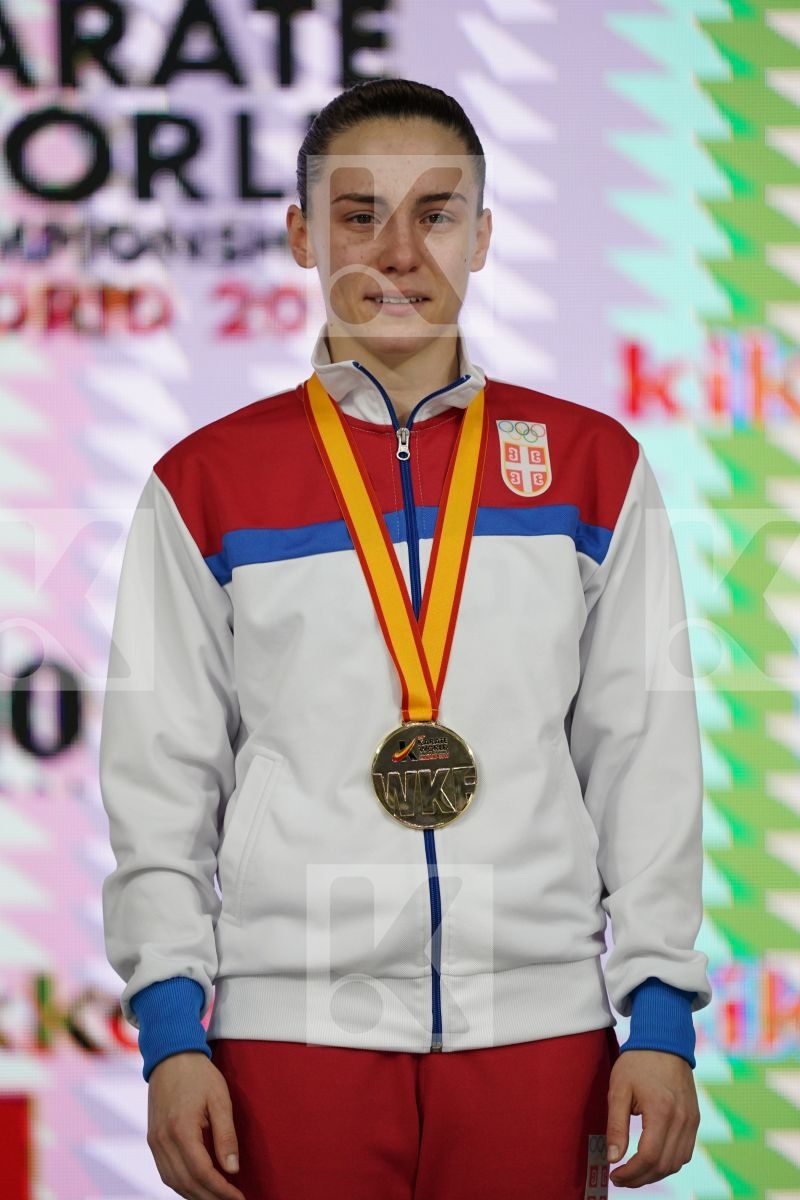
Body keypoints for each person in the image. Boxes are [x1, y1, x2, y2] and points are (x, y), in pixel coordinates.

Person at [100, 78, 711, 1200]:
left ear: (480, 237)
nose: (396, 249)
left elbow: (644, 755)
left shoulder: (588, 464)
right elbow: (160, 778)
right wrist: (174, 1034)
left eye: (434, 213)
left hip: (540, 1031)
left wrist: (660, 1013)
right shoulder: (205, 482)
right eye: (355, 213)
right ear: (299, 234)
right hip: (291, 1035)